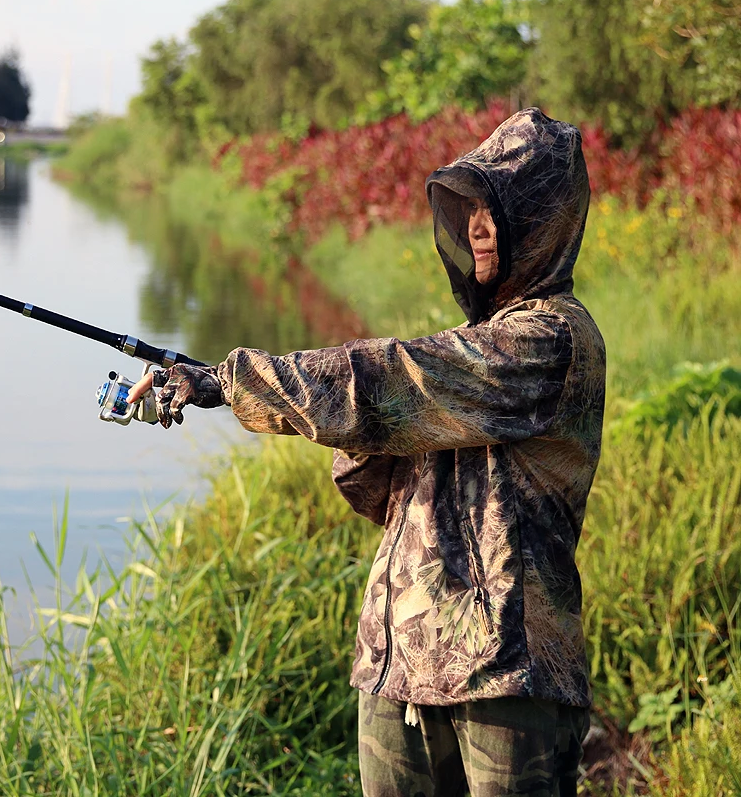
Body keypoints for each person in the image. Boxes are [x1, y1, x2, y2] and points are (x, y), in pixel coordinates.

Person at [128, 107, 606, 796]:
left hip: (510, 678)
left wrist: (225, 380)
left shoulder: (552, 340)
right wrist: (353, 430)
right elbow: (375, 492)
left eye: (496, 209)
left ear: (541, 222)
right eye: (468, 207)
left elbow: (390, 377)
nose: (477, 225)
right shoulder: (473, 346)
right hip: (397, 669)